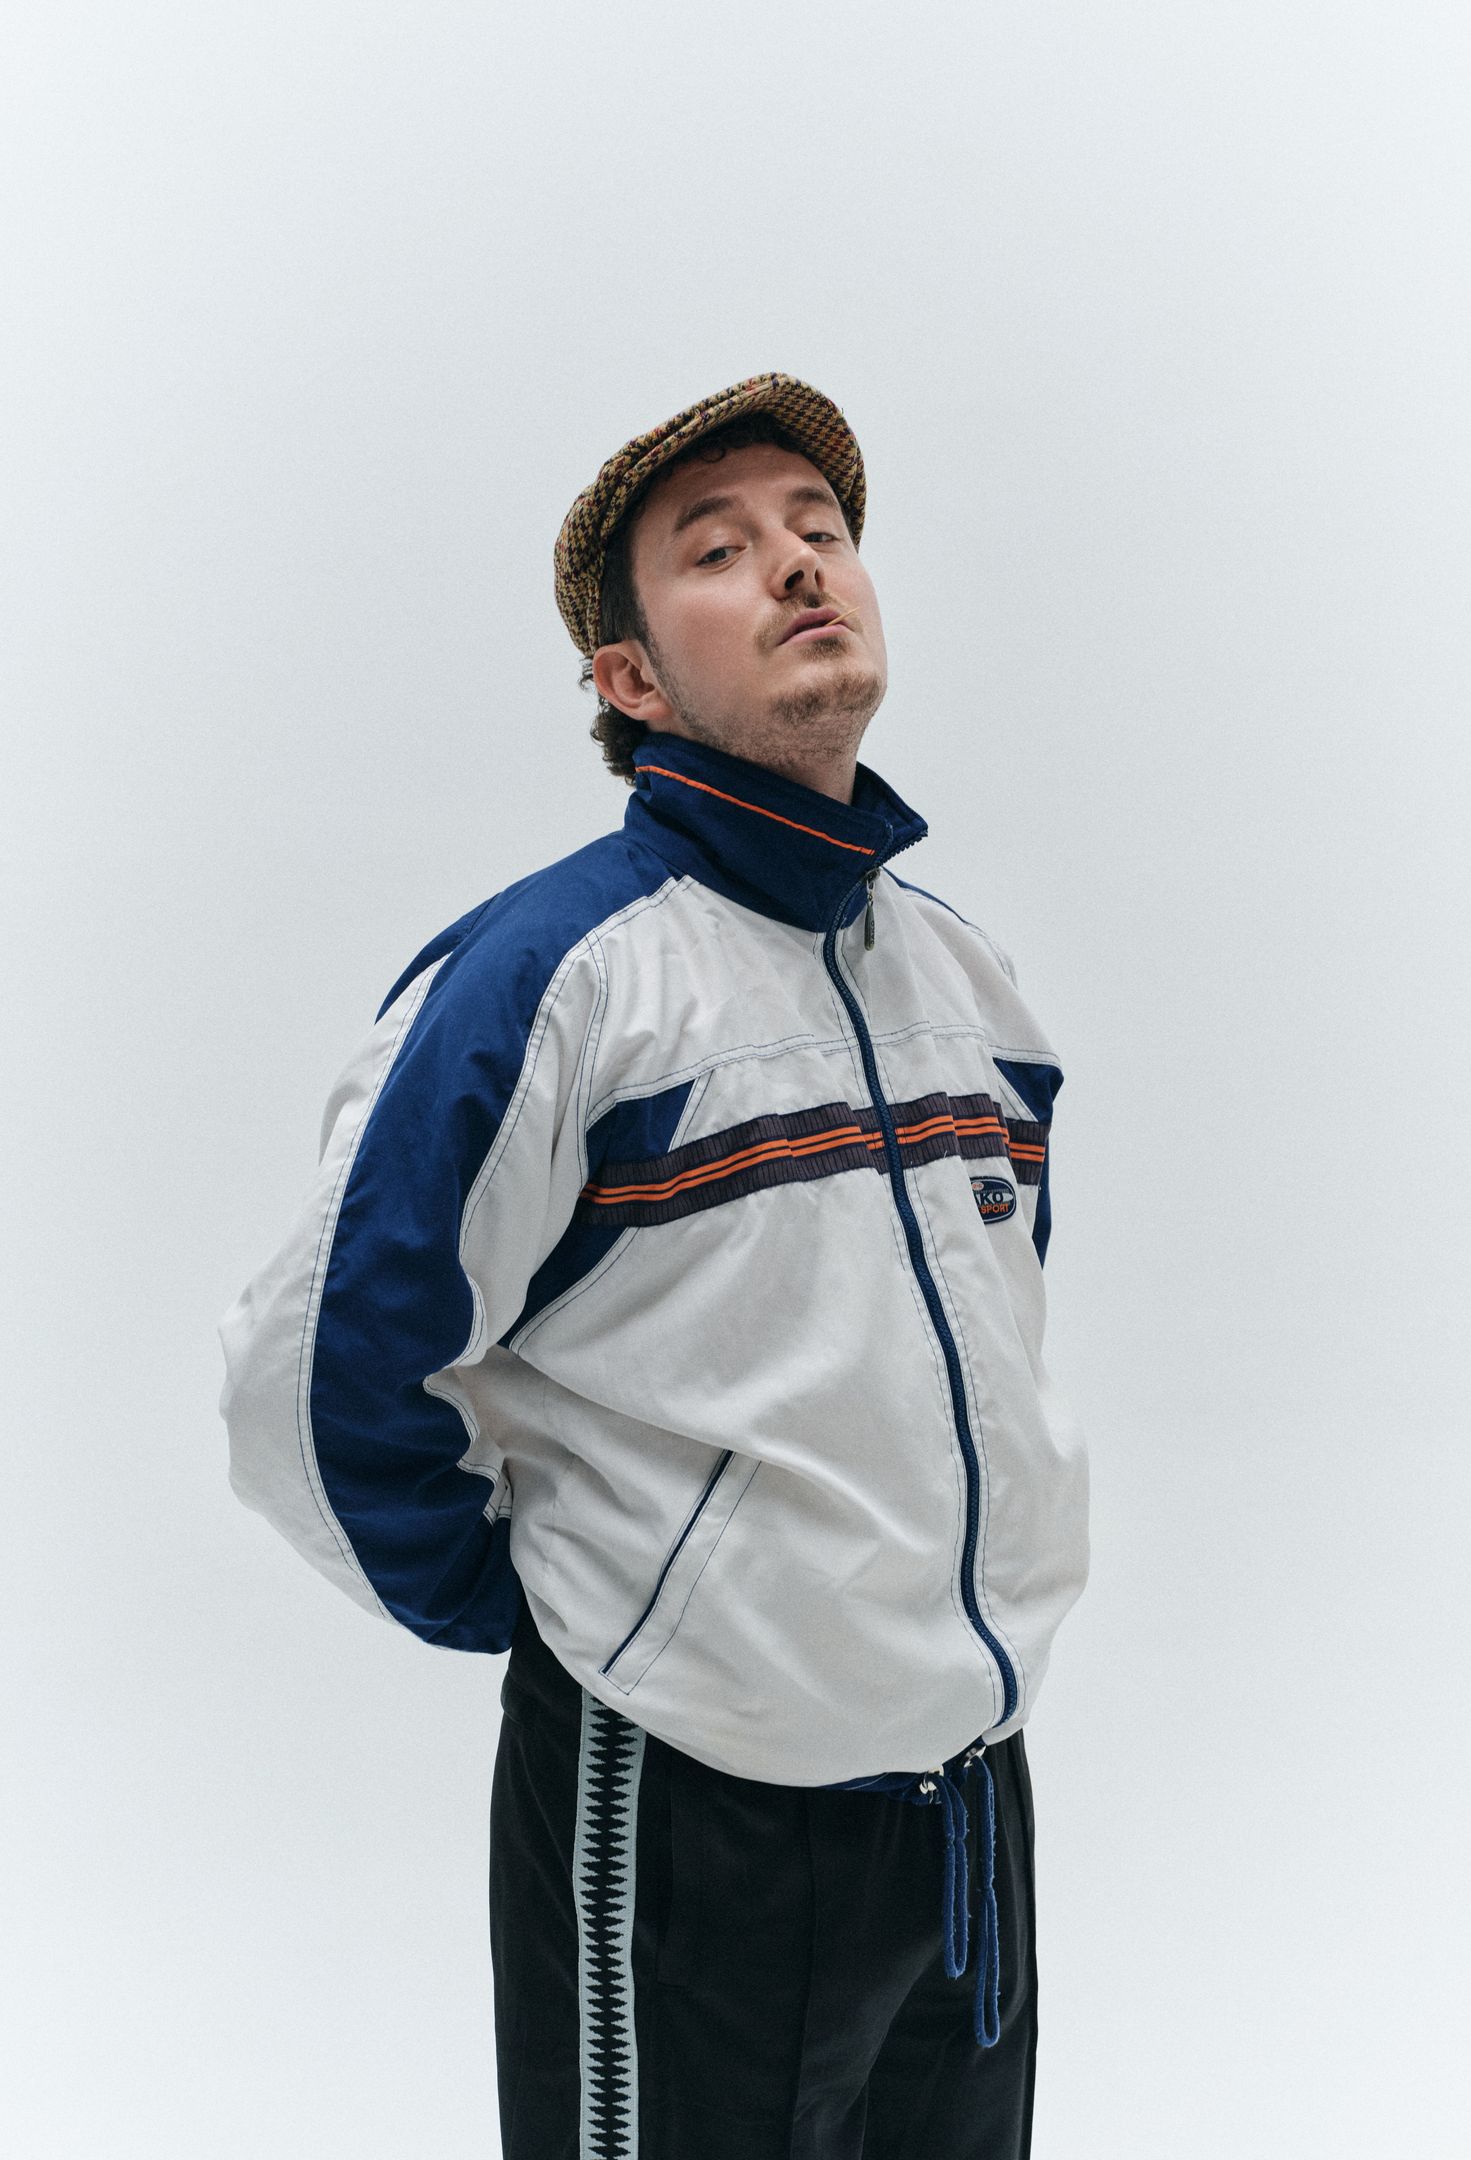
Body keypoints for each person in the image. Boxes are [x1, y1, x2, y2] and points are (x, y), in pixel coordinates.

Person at [218, 372, 1090, 2159]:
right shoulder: (558, 980)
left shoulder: (966, 981)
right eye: (720, 549)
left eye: (819, 530)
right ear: (628, 681)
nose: (798, 565)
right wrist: (575, 1613)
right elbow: (311, 1382)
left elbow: (990, 1339)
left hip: (966, 1801)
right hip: (692, 1807)